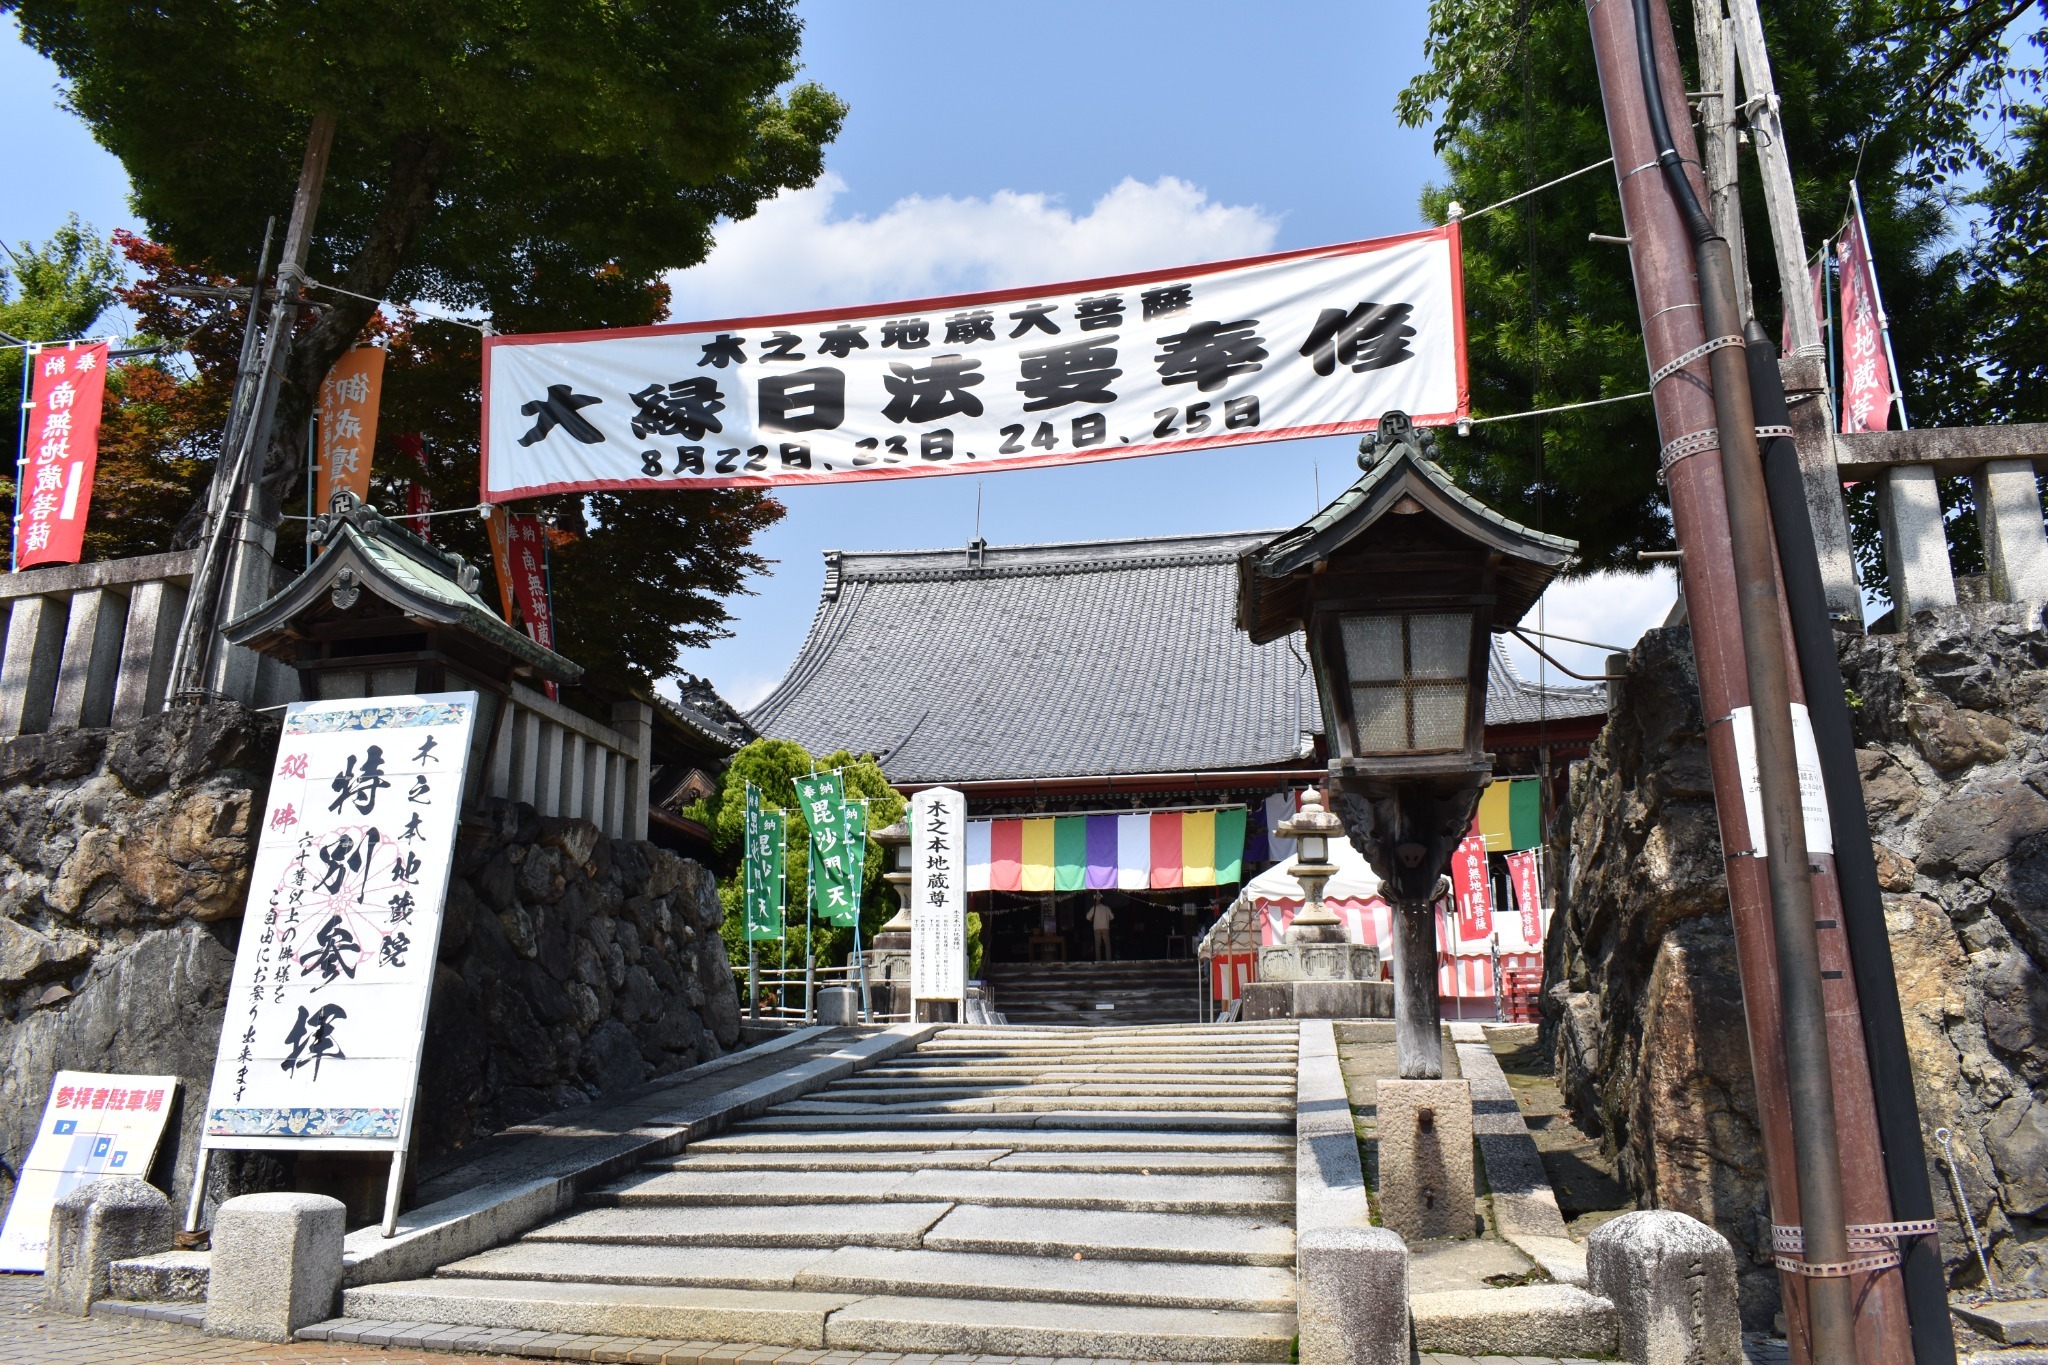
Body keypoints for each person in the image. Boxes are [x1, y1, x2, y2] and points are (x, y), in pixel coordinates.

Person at [1086, 893, 1114, 961]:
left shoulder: (1094, 908)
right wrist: (1107, 919)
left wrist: (1091, 919)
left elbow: (1087, 917)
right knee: (1107, 945)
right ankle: (1108, 960)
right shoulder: (1106, 908)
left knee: (1097, 946)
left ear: (1096, 900)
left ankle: (1098, 960)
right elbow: (1112, 917)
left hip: (1097, 928)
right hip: (1105, 927)